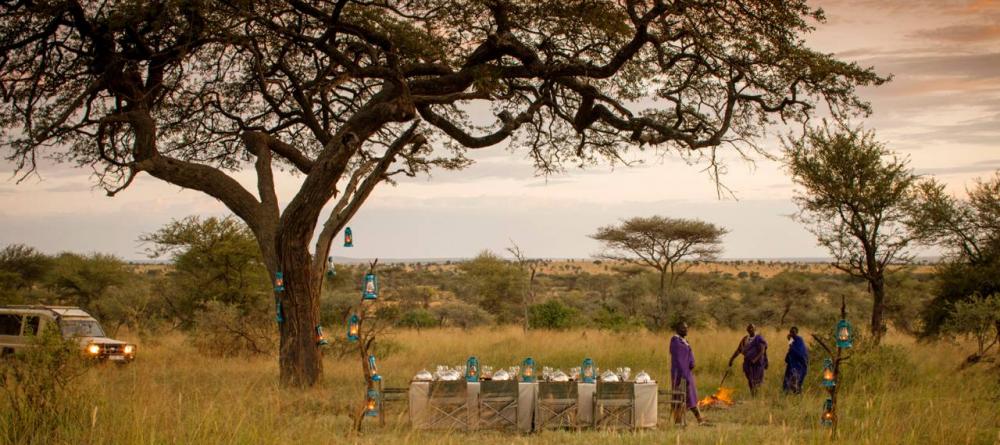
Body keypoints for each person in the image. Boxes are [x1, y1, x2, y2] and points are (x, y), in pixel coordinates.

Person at [670, 322, 707, 425]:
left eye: (687, 328)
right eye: (683, 328)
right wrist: (684, 376)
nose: (686, 330)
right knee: (679, 397)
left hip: (687, 373)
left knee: (691, 396)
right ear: (677, 329)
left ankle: (700, 420)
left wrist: (691, 363)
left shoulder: (684, 341)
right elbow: (679, 360)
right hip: (680, 374)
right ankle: (678, 421)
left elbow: (688, 355)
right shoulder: (676, 341)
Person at [728, 323, 768, 396]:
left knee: (756, 380)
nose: (750, 329)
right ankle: (753, 394)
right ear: (747, 329)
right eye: (749, 328)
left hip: (757, 363)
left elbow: (762, 351)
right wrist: (732, 359)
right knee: (750, 379)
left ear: (755, 329)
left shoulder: (759, 338)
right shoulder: (745, 339)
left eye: (752, 328)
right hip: (748, 363)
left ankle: (756, 395)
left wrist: (755, 360)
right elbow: (739, 350)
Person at [782, 326, 808, 394]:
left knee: (796, 382)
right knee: (787, 381)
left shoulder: (799, 340)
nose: (791, 334)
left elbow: (799, 353)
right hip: (791, 364)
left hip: (799, 365)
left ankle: (798, 397)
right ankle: (787, 396)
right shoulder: (792, 341)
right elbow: (791, 351)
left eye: (793, 332)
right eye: (790, 332)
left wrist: (790, 342)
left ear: (796, 333)